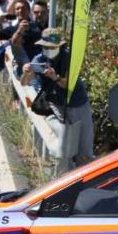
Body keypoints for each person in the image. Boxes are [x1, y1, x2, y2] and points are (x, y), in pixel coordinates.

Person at [23, 29, 94, 174]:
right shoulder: (39, 60)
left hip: (77, 104)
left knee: (84, 149)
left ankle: (86, 175)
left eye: (51, 47)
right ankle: (64, 176)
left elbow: (68, 84)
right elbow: (24, 82)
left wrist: (54, 77)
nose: (48, 50)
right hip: (56, 105)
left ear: (59, 46)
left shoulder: (68, 59)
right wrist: (26, 72)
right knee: (65, 148)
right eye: (45, 47)